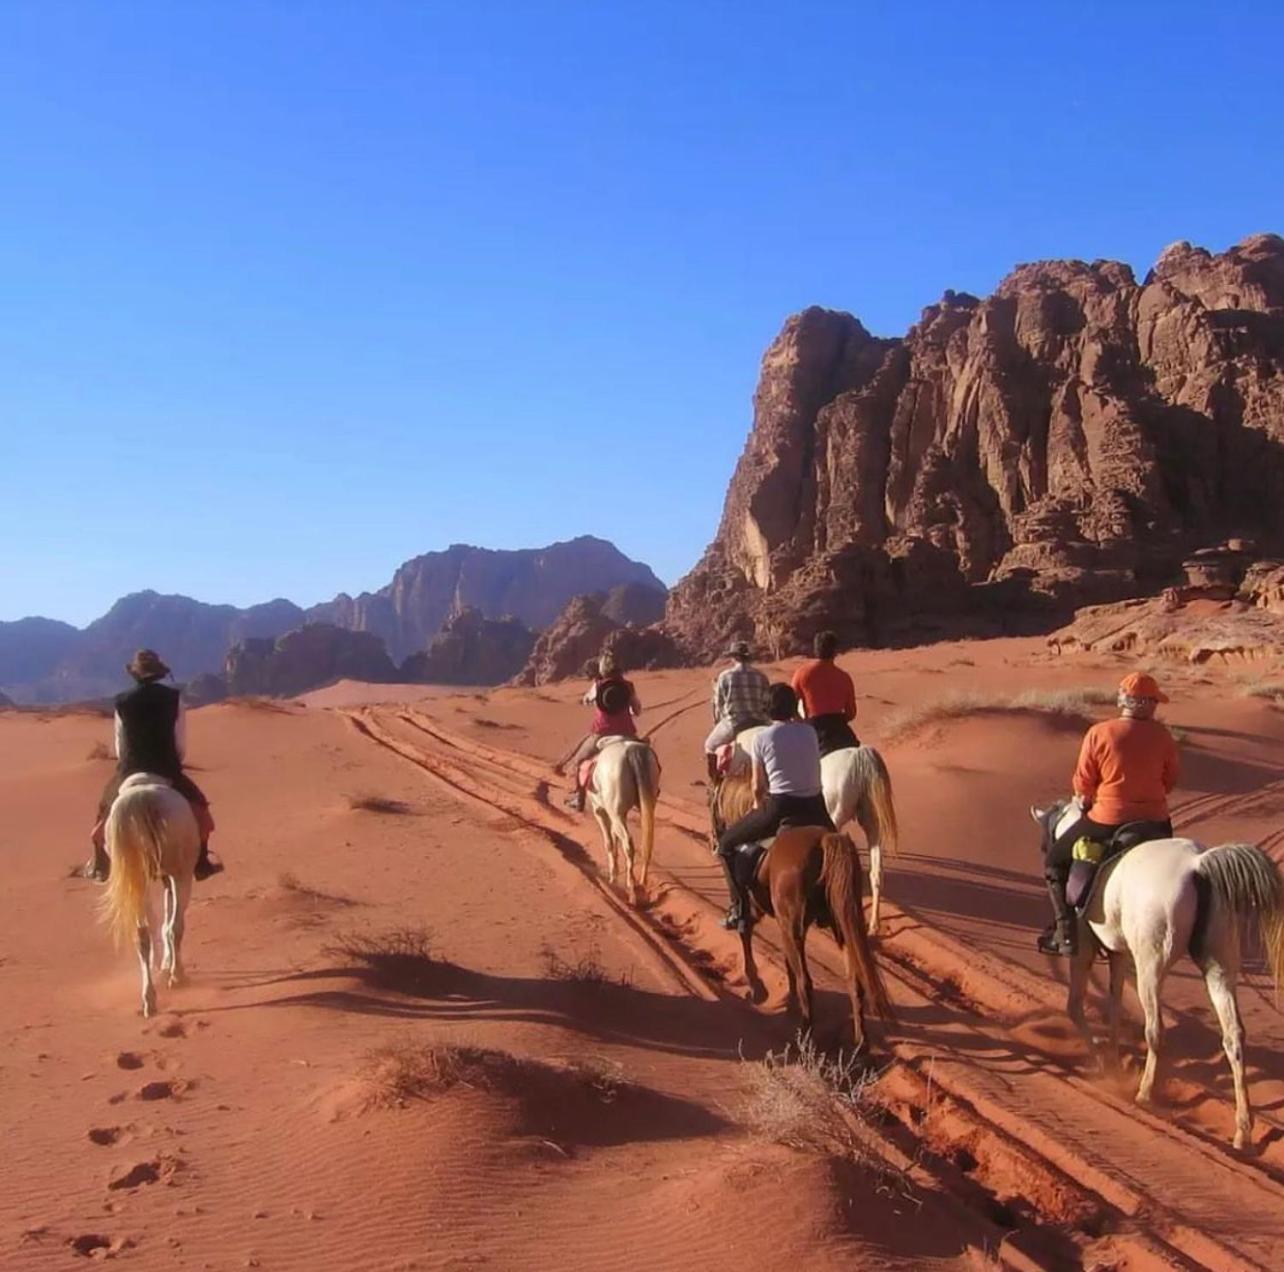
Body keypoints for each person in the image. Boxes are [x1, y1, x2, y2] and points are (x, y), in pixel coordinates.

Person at [1038, 671, 1179, 956]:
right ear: (1149, 704)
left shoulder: (1100, 733)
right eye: (1154, 702)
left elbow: (1083, 781)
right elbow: (1171, 780)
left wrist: (1087, 800)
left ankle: (1066, 935)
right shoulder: (1164, 735)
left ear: (1123, 701)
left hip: (1107, 819)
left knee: (1054, 862)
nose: (1156, 707)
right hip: (1156, 823)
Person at [82, 649, 224, 883]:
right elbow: (180, 743)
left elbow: (119, 743)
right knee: (203, 816)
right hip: (166, 768)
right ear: (158, 673)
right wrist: (172, 763)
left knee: (102, 816)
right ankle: (202, 863)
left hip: (130, 769)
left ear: (134, 675)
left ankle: (100, 864)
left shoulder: (122, 701)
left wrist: (128, 764)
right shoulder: (174, 698)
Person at [715, 682, 835, 930]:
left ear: (767, 709)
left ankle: (739, 909)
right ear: (794, 707)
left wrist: (758, 811)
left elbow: (758, 787)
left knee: (726, 843)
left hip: (782, 806)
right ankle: (828, 907)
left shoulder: (762, 738)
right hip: (816, 806)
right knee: (839, 849)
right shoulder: (810, 731)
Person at [557, 651, 642, 812]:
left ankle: (579, 799)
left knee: (580, 761)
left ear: (603, 668)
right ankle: (642, 796)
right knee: (644, 758)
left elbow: (587, 699)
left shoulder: (598, 686)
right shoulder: (629, 687)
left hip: (602, 732)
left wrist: (589, 700)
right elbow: (637, 710)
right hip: (627, 732)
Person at [703, 639, 771, 783]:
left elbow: (719, 704)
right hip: (760, 723)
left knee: (709, 745)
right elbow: (767, 703)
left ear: (733, 657)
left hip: (734, 724)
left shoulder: (725, 676)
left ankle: (715, 784)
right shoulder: (761, 676)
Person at [792, 630, 859, 756]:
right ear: (835, 651)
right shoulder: (844, 677)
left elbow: (791, 706)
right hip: (841, 729)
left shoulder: (801, 674)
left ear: (815, 649)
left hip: (814, 728)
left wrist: (802, 723)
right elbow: (851, 713)